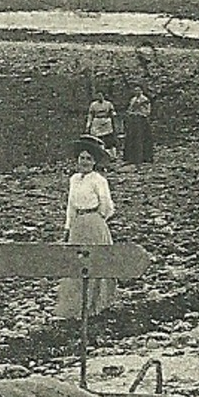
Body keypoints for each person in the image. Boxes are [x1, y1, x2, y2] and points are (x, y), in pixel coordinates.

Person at [55, 136, 118, 320]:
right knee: (76, 264)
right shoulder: (74, 179)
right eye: (82, 158)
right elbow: (70, 206)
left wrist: (97, 219)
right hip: (78, 224)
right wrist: (68, 227)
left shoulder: (98, 180)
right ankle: (75, 306)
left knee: (95, 263)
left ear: (95, 162)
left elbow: (107, 205)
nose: (84, 162)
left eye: (89, 159)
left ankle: (97, 305)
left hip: (93, 222)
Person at [123, 86, 154, 164]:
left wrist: (141, 113)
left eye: (138, 91)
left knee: (143, 138)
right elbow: (129, 109)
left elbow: (147, 111)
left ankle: (145, 157)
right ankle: (131, 157)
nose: (137, 92)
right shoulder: (133, 99)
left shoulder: (145, 99)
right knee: (132, 138)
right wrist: (130, 113)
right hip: (133, 120)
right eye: (135, 91)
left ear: (141, 91)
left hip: (142, 120)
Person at [85, 91, 119, 158]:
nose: (99, 97)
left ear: (103, 96)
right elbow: (90, 115)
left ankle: (111, 155)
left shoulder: (108, 103)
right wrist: (88, 124)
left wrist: (113, 115)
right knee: (97, 138)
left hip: (106, 121)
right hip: (97, 121)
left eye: (101, 95)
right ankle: (99, 154)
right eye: (98, 96)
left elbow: (112, 112)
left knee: (109, 139)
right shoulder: (93, 104)